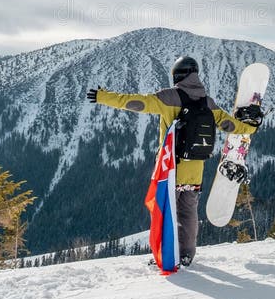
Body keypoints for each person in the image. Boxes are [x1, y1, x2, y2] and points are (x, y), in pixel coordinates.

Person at [86, 55, 262, 266]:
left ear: (178, 75)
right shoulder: (208, 102)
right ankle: (186, 255)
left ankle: (166, 256)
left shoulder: (169, 97)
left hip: (170, 170)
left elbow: (135, 103)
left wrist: (103, 97)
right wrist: (252, 126)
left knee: (164, 214)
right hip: (195, 172)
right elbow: (231, 126)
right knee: (188, 216)